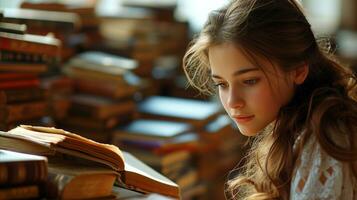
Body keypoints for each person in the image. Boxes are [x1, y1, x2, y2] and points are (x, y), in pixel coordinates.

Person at [182, 0, 357, 199]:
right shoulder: (292, 126)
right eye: (221, 84)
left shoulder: (325, 141)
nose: (232, 102)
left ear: (298, 70)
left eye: (249, 81)